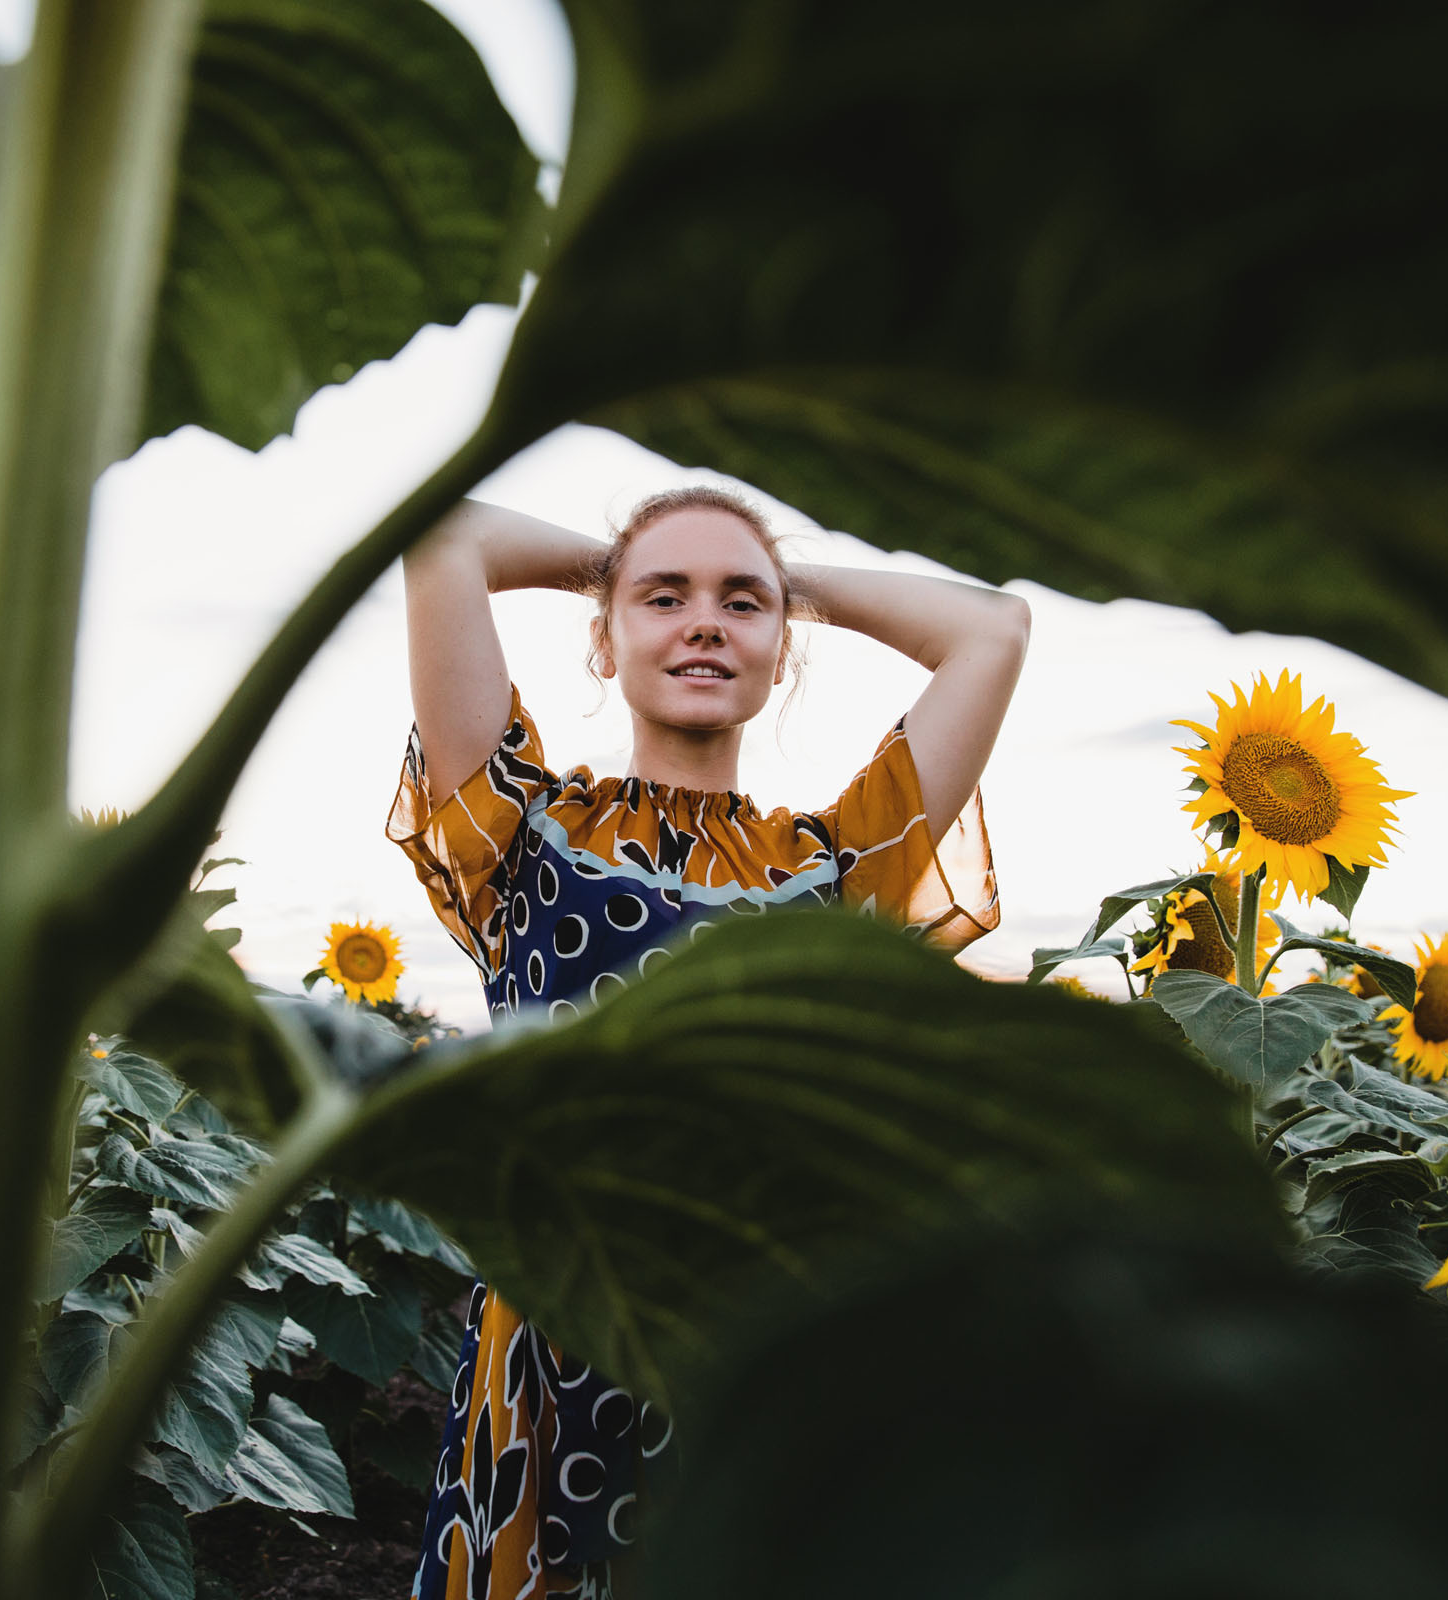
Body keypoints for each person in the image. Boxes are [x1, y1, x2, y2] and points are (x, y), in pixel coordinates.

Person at [390, 486, 1027, 1599]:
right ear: (604, 640)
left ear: (781, 650)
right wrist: (622, 564)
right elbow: (445, 538)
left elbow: (993, 628)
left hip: (761, 1359)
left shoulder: (837, 868)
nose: (704, 622)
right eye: (665, 600)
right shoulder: (523, 836)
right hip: (549, 1354)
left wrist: (776, 586)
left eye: (741, 605)